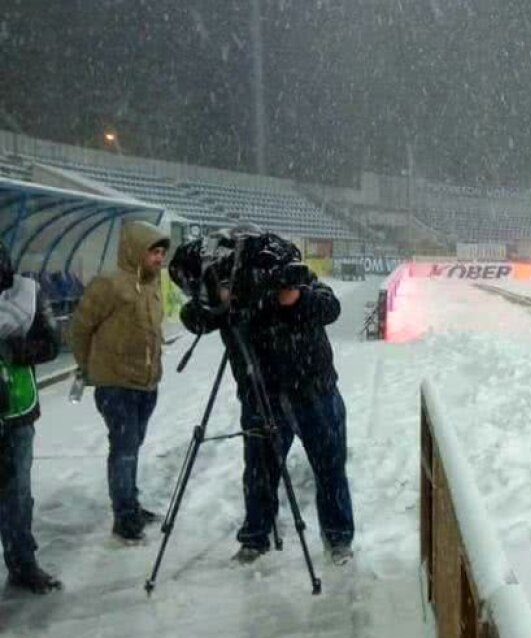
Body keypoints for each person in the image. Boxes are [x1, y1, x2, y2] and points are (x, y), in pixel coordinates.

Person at [177, 227, 355, 563]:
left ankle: (338, 539)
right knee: (259, 472)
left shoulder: (294, 277)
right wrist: (218, 301)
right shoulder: (230, 287)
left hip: (313, 390)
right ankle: (255, 537)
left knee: (330, 469)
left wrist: (294, 298)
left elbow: (330, 308)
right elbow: (193, 319)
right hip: (260, 394)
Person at [70, 221, 170, 542]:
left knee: (132, 446)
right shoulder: (109, 285)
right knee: (124, 449)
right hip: (116, 385)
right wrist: (88, 366)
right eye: (153, 252)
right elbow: (80, 329)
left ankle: (131, 503)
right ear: (135, 251)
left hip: (146, 384)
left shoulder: (152, 286)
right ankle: (124, 517)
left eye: (161, 252)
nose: (159, 258)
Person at [0, 239, 62, 593]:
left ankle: (22, 563)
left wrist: (20, 349)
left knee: (18, 495)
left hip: (17, 412)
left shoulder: (29, 293)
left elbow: (51, 344)